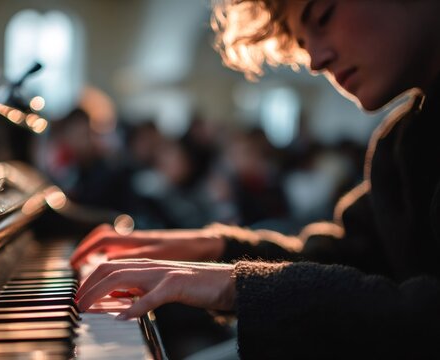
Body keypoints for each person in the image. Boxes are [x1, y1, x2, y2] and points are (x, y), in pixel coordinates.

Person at [70, 0, 440, 358]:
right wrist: (213, 248)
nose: (314, 61)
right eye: (301, 44)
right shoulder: (403, 138)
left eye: (323, 15)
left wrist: (237, 287)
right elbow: (353, 257)